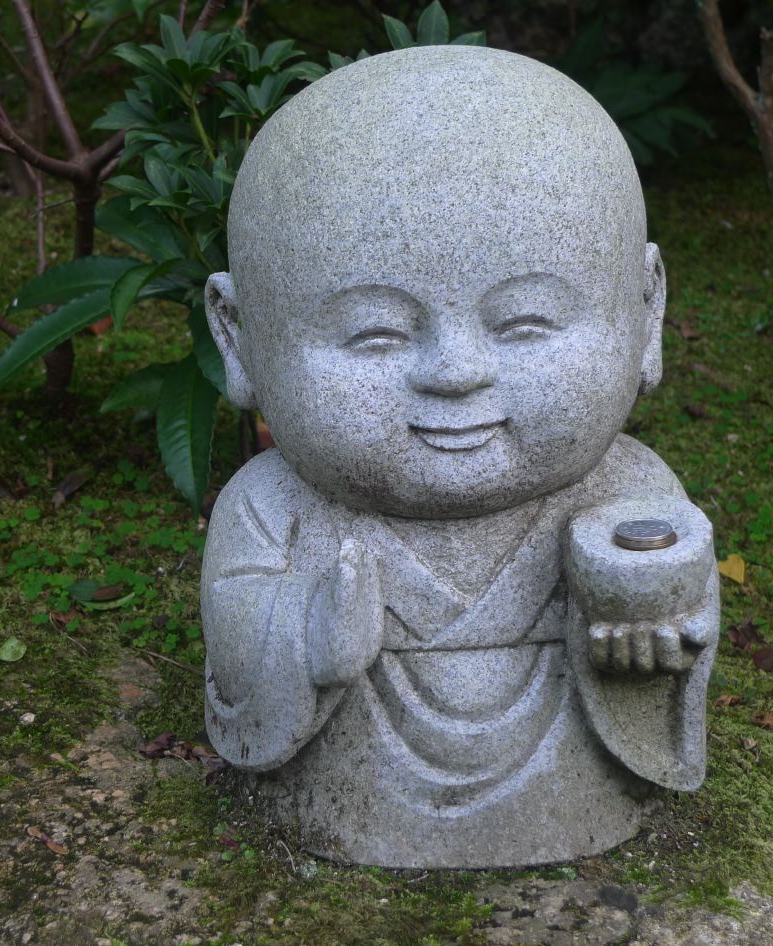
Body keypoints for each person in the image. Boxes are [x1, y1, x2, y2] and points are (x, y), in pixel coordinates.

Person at [200, 44, 720, 868]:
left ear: (645, 315)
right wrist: (302, 631)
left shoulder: (629, 494)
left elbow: (676, 627)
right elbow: (238, 625)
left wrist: (651, 644)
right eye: (376, 332)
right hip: (347, 795)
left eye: (525, 326)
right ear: (239, 336)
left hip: (581, 793)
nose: (455, 372)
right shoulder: (272, 505)